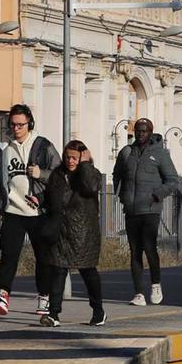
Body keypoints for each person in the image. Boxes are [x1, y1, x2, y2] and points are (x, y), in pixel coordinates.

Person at [0, 103, 61, 317]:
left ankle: (44, 297)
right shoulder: (4, 148)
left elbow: (59, 175)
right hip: (12, 210)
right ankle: (2, 294)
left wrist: (41, 174)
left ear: (30, 124)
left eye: (20, 125)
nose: (16, 129)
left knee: (43, 257)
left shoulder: (43, 146)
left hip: (38, 211)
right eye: (13, 124)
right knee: (9, 255)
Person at [112, 117, 180, 306]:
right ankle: (138, 293)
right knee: (135, 251)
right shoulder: (127, 152)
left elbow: (173, 181)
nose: (141, 134)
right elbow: (117, 174)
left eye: (144, 131)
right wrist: (121, 195)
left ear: (150, 132)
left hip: (150, 209)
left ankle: (155, 284)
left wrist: (157, 195)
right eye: (138, 131)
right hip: (131, 209)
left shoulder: (160, 154)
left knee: (149, 248)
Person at [40, 140, 105, 327]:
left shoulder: (91, 174)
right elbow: (51, 195)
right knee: (58, 270)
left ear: (83, 157)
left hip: (84, 232)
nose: (70, 161)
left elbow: (91, 187)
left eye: (75, 157)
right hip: (62, 230)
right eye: (68, 156)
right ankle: (53, 314)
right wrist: (39, 199)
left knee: (88, 272)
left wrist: (85, 165)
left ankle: (98, 311)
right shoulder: (58, 174)